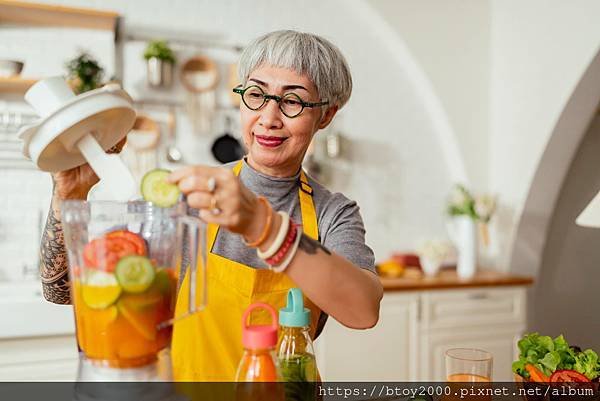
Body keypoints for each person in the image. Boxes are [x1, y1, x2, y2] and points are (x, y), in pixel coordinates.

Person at [40, 30, 383, 381]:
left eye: (292, 101)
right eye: (256, 94)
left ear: (325, 116)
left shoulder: (333, 212)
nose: (268, 117)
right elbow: (62, 290)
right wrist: (68, 194)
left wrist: (262, 227)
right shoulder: (188, 195)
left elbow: (363, 311)